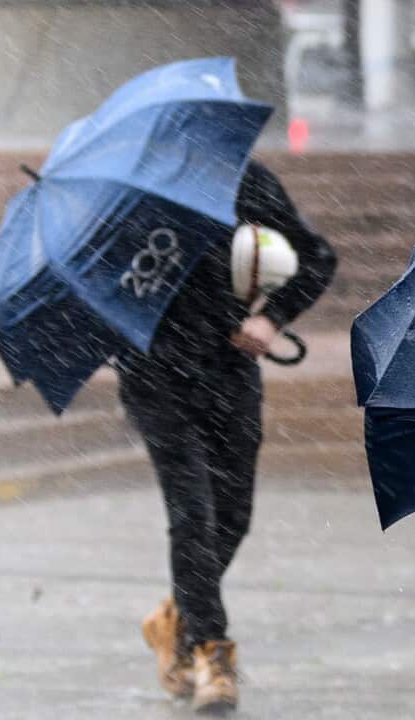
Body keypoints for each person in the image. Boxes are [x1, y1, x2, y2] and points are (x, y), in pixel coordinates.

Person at [124, 159, 337, 713]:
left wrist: (272, 317)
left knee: (232, 517)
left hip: (228, 372)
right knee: (192, 513)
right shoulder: (125, 198)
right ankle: (211, 656)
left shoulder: (242, 180)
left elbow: (317, 256)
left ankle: (173, 618)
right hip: (154, 377)